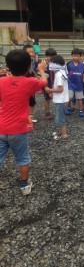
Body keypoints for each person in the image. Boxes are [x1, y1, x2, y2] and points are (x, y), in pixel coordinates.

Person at [0, 49, 47, 195]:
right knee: (22, 158)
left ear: (8, 66)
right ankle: (24, 185)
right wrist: (41, 69)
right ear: (28, 67)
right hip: (19, 128)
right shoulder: (30, 82)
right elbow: (44, 82)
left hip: (1, 127)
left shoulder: (1, 81)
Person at [45, 55, 69, 141]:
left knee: (60, 118)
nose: (49, 64)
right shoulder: (62, 72)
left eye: (51, 62)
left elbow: (60, 89)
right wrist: (53, 93)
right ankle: (62, 132)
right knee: (60, 116)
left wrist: (50, 90)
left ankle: (64, 134)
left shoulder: (59, 74)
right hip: (61, 99)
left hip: (60, 100)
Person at [66, 48, 84, 117]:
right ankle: (67, 107)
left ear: (80, 56)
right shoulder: (68, 64)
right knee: (69, 97)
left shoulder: (83, 65)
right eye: (74, 55)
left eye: (77, 56)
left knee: (79, 98)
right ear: (72, 56)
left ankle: (81, 110)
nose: (76, 57)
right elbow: (65, 73)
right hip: (70, 85)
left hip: (79, 85)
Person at [23, 44, 38, 123]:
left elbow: (32, 70)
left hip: (31, 84)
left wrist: (36, 76)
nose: (32, 54)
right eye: (29, 52)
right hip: (24, 84)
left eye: (33, 52)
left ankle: (30, 116)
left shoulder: (33, 61)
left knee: (32, 100)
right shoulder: (22, 62)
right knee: (24, 100)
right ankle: (24, 117)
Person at [43, 48, 57, 120]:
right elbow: (42, 77)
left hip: (55, 85)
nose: (50, 57)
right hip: (47, 85)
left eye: (52, 56)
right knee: (47, 100)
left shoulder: (57, 65)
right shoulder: (44, 65)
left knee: (57, 99)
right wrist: (45, 87)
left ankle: (58, 112)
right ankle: (47, 112)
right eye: (48, 56)